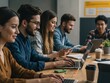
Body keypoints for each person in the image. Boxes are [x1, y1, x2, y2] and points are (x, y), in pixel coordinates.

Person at [0, 6, 64, 83]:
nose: (17, 31)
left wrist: (42, 76)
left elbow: (20, 71)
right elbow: (5, 81)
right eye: (13, 27)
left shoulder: (6, 51)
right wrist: (40, 80)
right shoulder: (12, 44)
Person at [6, 4, 74, 72]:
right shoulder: (13, 41)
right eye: (36, 23)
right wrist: (54, 64)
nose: (38, 27)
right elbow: (24, 65)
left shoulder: (26, 39)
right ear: (24, 23)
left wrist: (54, 59)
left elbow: (35, 56)